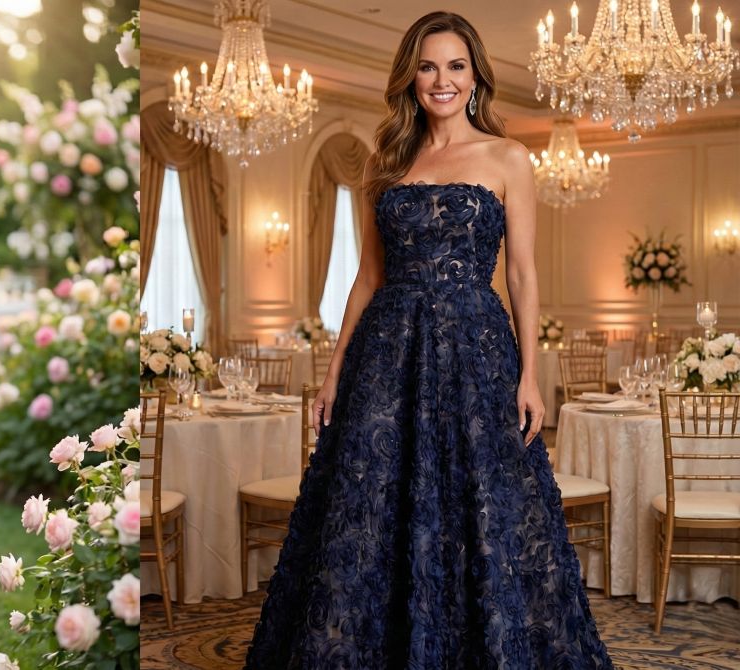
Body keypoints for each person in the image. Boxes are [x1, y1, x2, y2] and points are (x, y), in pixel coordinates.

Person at [245, 11, 613, 668]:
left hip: (475, 353)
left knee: (482, 506)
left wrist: (531, 375)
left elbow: (524, 274)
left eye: (455, 66)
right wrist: (332, 373)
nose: (441, 80)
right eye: (427, 66)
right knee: (371, 508)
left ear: (475, 78)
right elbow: (366, 278)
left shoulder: (508, 158)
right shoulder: (387, 161)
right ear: (410, 77)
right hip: (388, 354)